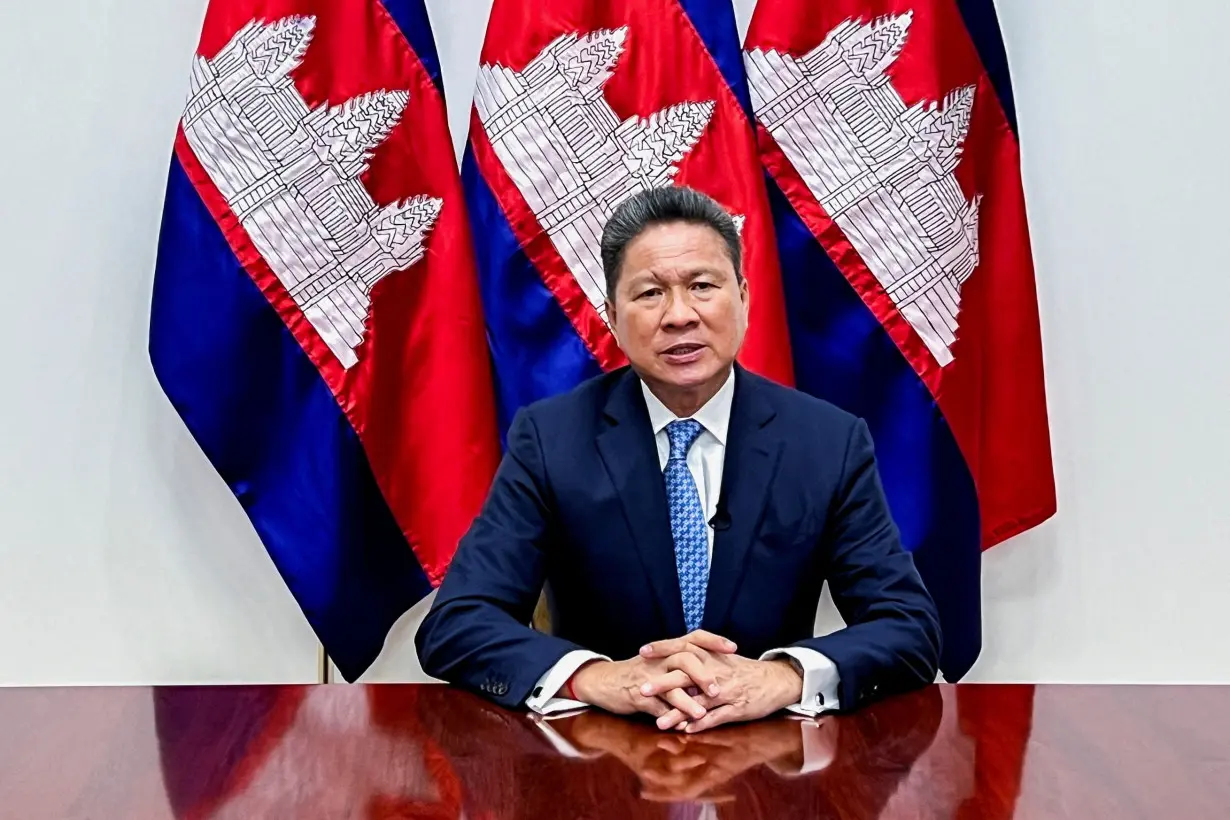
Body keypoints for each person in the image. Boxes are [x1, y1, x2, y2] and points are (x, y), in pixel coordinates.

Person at [416, 186, 941, 732]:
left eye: (702, 286)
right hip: (602, 753)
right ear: (613, 317)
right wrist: (593, 677)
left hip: (769, 751)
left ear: (743, 297)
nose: (679, 315)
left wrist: (783, 677)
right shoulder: (551, 439)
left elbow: (907, 625)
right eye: (650, 294)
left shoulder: (827, 442)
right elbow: (457, 623)